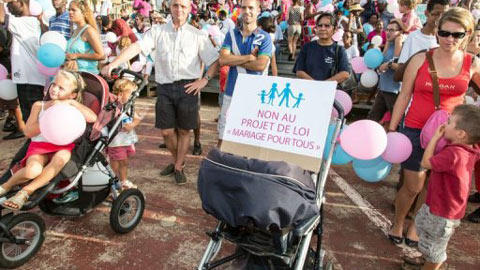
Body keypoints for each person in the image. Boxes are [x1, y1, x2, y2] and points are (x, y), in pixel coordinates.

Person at [101, 0, 219, 185]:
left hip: (188, 86)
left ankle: (178, 166)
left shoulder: (198, 35)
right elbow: (137, 47)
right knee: (166, 132)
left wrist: (204, 80)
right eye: (175, 5)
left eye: (183, 6)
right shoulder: (158, 31)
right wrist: (114, 63)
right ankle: (177, 160)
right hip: (164, 86)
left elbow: (214, 60)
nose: (179, 9)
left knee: (184, 130)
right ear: (170, 8)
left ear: (189, 9)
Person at [388, 7, 476, 247]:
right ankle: (397, 222)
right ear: (437, 32)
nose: (450, 39)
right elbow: (404, 96)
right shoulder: (420, 58)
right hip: (415, 129)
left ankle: (415, 227)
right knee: (413, 184)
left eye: (457, 35)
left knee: (432, 185)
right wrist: (393, 129)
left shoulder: (473, 63)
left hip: (450, 136)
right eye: (445, 33)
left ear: (467, 34)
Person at [0, 69, 97, 210]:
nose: (55, 89)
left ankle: (25, 192)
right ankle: (5, 186)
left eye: (61, 88)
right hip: (40, 146)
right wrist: (47, 120)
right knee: (32, 171)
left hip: (62, 146)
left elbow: (93, 118)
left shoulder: (72, 107)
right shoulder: (39, 106)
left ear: (72, 95)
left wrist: (72, 103)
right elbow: (28, 132)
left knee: (62, 157)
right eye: (53, 84)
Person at [405, 105, 480, 270]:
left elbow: (425, 163)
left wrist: (435, 138)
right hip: (441, 207)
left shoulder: (453, 154)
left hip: (443, 212)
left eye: (450, 121)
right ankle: (428, 259)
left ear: (461, 134)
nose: (445, 124)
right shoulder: (471, 148)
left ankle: (432, 264)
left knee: (435, 248)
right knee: (426, 231)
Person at [217, 0, 272, 146]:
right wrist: (248, 57)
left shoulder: (265, 37)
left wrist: (233, 59)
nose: (247, 11)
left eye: (251, 8)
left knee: (248, 141)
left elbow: (260, 65)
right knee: (223, 138)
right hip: (231, 92)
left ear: (258, 10)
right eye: (244, 7)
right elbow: (222, 60)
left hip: (254, 96)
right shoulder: (231, 34)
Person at [0, 0, 47, 135]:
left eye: (13, 1)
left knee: (33, 120)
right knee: (30, 120)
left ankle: (38, 147)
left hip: (31, 81)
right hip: (27, 79)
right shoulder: (24, 22)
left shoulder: (27, 22)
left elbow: (1, 16)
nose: (9, 4)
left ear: (23, 3)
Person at [395, 0, 450, 81]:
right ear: (426, 13)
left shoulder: (449, 40)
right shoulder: (413, 37)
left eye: (444, 15)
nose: (440, 18)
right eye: (436, 14)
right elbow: (399, 73)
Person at [107, 79, 142, 190]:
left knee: (124, 161)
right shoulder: (113, 107)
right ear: (121, 93)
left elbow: (137, 119)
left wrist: (132, 125)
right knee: (116, 162)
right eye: (131, 94)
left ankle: (123, 180)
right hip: (116, 141)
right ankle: (113, 181)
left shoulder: (129, 106)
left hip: (125, 140)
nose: (133, 97)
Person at [294, 12, 350, 82]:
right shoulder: (307, 47)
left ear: (335, 29)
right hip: (308, 89)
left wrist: (324, 86)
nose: (322, 28)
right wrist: (316, 85)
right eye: (320, 25)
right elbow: (299, 71)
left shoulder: (339, 50)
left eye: (327, 26)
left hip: (331, 91)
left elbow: (345, 73)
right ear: (316, 28)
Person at [368, 20, 403, 122]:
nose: (388, 32)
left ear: (399, 32)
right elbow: (381, 62)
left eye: (392, 30)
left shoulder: (401, 44)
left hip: (394, 91)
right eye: (387, 30)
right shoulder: (389, 44)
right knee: (372, 119)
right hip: (383, 88)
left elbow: (400, 67)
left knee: (397, 123)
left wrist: (389, 64)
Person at [65, 0, 105, 74]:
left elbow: (101, 55)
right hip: (74, 74)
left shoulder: (89, 31)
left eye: (73, 10)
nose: (70, 12)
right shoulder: (75, 30)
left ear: (83, 13)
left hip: (87, 76)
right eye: (69, 10)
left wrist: (77, 55)